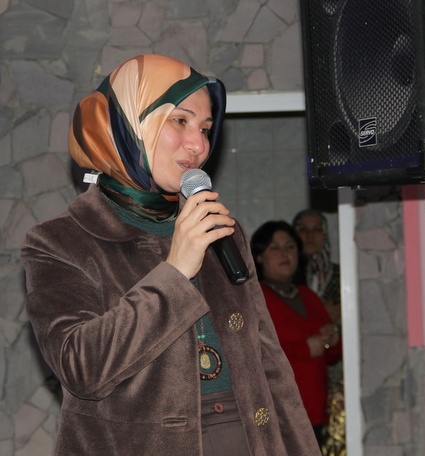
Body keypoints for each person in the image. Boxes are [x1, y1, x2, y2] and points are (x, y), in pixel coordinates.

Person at [21, 54, 322, 456]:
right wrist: (175, 271)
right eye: (180, 121)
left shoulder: (222, 228)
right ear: (126, 126)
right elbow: (81, 368)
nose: (199, 145)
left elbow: (270, 366)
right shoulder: (59, 241)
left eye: (206, 128)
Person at [250, 221, 341, 449]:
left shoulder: (308, 296)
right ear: (259, 256)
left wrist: (332, 340)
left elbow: (332, 356)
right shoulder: (254, 299)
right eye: (275, 248)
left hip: (315, 413)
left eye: (290, 247)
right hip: (278, 414)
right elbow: (251, 356)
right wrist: (305, 349)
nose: (285, 254)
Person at [293, 209, 345, 456]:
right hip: (300, 369)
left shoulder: (341, 276)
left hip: (336, 371)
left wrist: (339, 319)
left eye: (317, 230)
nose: (309, 236)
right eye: (303, 229)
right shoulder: (286, 276)